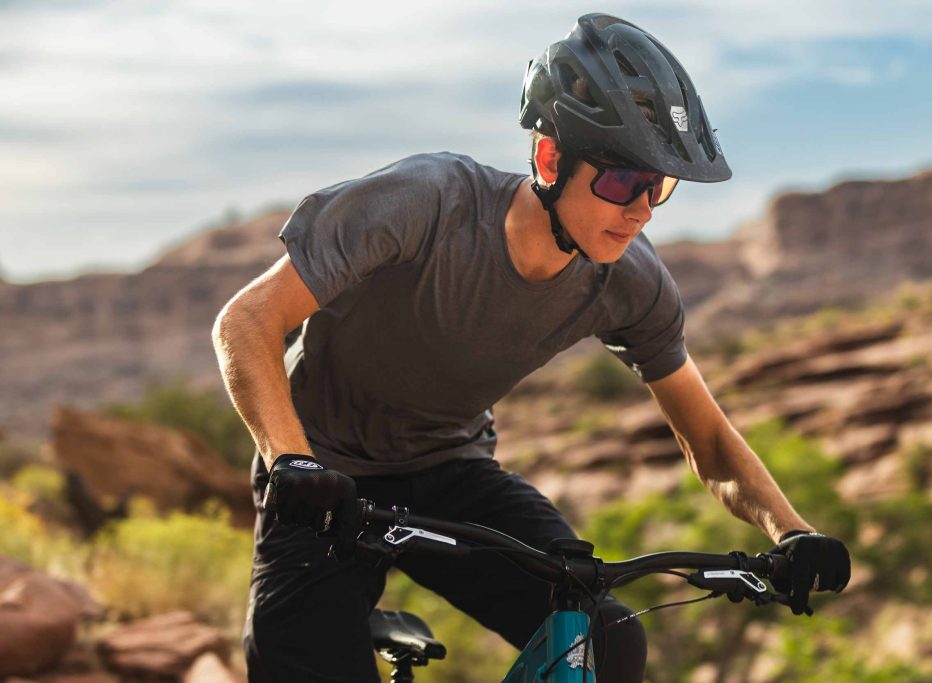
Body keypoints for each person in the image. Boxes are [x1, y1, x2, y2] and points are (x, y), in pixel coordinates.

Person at [212, 13, 851, 683]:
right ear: (550, 159)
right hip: (320, 476)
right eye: (622, 182)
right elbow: (246, 321)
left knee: (604, 633)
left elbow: (710, 441)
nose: (641, 210)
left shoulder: (629, 281)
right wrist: (290, 461)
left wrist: (790, 532)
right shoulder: (425, 203)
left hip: (448, 470)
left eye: (658, 187)